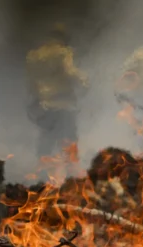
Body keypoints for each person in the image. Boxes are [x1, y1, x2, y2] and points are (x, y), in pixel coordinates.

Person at [26, 24, 88, 159]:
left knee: (47, 138)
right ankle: (71, 173)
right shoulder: (62, 52)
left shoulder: (34, 56)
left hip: (44, 105)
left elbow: (31, 83)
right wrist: (84, 82)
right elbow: (69, 72)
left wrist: (35, 101)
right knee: (69, 140)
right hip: (63, 104)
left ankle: (42, 169)